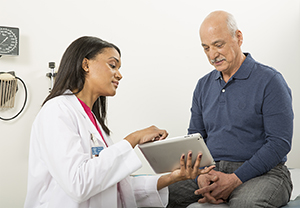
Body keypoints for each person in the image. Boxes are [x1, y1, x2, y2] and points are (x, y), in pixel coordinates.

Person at [24, 36, 214, 208]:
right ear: (86, 65)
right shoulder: (57, 111)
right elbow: (78, 184)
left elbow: (119, 188)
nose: (119, 75)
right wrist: (133, 139)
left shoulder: (94, 122)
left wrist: (173, 177)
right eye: (112, 65)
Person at [167, 10, 293, 208]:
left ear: (239, 37)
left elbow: (279, 143)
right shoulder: (203, 85)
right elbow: (196, 137)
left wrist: (234, 179)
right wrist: (203, 176)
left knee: (246, 203)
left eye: (218, 45)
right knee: (156, 192)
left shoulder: (270, 81)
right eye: (206, 48)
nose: (212, 55)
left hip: (263, 173)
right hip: (211, 171)